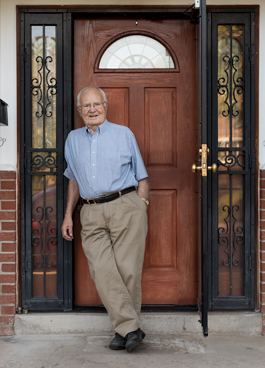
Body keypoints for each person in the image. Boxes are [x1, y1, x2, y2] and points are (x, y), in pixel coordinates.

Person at [61, 86, 149, 352]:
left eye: (96, 104)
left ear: (105, 105)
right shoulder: (72, 139)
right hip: (90, 211)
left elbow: (141, 175)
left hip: (126, 205)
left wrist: (141, 204)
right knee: (101, 270)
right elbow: (73, 180)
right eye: (86, 106)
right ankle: (131, 328)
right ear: (79, 111)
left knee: (128, 270)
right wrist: (68, 215)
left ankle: (122, 333)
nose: (92, 110)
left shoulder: (123, 134)